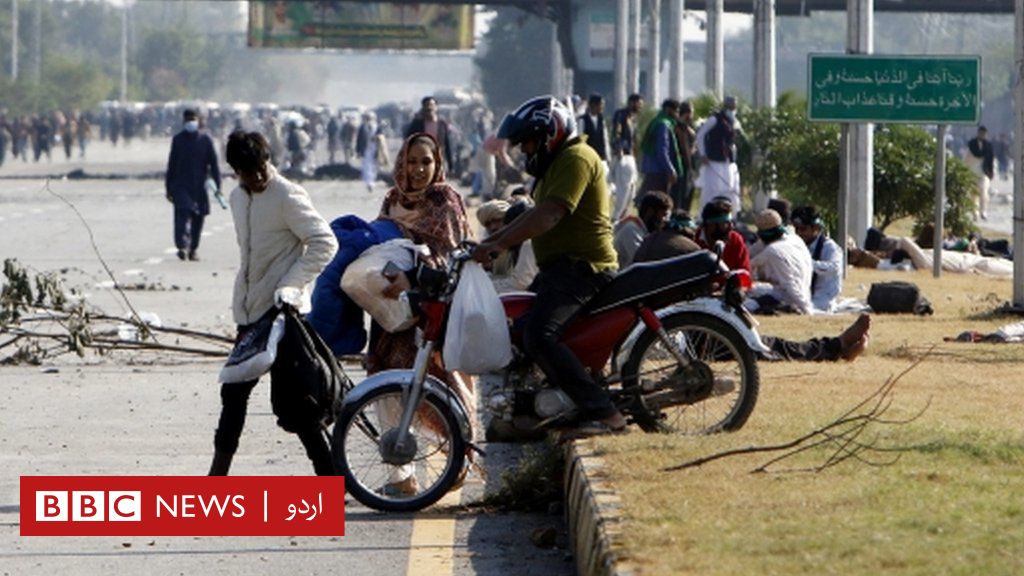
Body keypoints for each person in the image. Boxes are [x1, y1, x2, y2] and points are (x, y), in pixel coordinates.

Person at [472, 95, 625, 438]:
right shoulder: (557, 164)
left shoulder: (576, 158)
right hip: (560, 269)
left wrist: (500, 243)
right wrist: (489, 244)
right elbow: (530, 214)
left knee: (540, 337)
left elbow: (551, 213)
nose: (525, 150)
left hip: (583, 268)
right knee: (521, 327)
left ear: (549, 134)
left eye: (528, 141)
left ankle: (605, 413)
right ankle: (555, 406)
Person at [208, 130, 338, 476]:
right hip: (251, 316)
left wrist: (290, 285)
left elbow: (324, 242)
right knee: (233, 395)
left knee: (299, 407)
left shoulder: (287, 196)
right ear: (236, 171)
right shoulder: (237, 199)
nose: (259, 176)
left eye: (262, 166)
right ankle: (215, 479)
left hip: (284, 317)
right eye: (249, 172)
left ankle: (331, 479)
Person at [373, 132, 473, 495]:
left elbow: (451, 256)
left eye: (425, 162)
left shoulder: (445, 200)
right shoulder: (391, 200)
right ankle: (403, 480)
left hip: (435, 312)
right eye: (411, 161)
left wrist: (412, 274)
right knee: (387, 390)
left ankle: (457, 464)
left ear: (438, 164)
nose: (417, 170)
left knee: (447, 391)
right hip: (393, 314)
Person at [165, 109, 221, 262]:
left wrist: (218, 187)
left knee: (198, 218)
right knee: (182, 215)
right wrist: (168, 187)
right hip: (181, 185)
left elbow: (214, 165)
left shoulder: (205, 140)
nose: (191, 122)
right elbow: (171, 165)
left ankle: (193, 249)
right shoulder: (178, 140)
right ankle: (182, 246)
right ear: (184, 122)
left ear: (199, 121)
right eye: (188, 119)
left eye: (193, 119)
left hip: (199, 187)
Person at [746, 209, 814, 315]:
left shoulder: (773, 251)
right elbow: (751, 252)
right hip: (804, 292)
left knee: (746, 304)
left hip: (788, 298)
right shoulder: (795, 239)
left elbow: (790, 285)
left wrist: (806, 309)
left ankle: (783, 308)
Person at [791, 206, 843, 313]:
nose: (799, 233)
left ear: (816, 228)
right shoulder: (796, 244)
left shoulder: (829, 247)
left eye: (803, 229)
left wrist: (806, 263)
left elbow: (834, 268)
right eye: (796, 229)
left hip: (822, 296)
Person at [695, 95, 741, 213]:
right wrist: (703, 154)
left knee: (730, 188)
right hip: (714, 160)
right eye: (730, 105)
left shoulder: (734, 121)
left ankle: (731, 215)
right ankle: (706, 214)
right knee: (712, 189)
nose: (733, 108)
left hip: (729, 160)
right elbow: (700, 135)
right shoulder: (715, 119)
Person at [613, 191, 673, 268]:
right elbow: (645, 262)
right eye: (663, 215)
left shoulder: (643, 231)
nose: (665, 221)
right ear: (650, 212)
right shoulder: (631, 231)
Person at [610, 93, 644, 222]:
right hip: (623, 156)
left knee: (631, 192)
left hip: (630, 157)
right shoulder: (621, 115)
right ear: (632, 102)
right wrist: (618, 148)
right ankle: (615, 218)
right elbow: (617, 132)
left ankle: (622, 218)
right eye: (638, 104)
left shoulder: (633, 118)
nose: (640, 107)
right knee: (623, 192)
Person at [639, 99, 683, 198]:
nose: (677, 115)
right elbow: (662, 150)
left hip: (651, 169)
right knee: (658, 202)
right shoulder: (664, 125)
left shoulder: (656, 121)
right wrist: (670, 169)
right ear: (668, 110)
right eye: (676, 111)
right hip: (658, 171)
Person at [404, 96, 454, 179]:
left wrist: (451, 165)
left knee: (438, 182)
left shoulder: (442, 124)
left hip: (438, 158)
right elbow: (408, 140)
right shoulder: (417, 124)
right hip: (421, 160)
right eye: (427, 105)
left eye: (431, 105)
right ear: (423, 108)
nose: (429, 108)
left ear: (436, 107)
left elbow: (447, 144)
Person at [696, 197, 750, 272]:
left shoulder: (735, 240)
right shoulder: (694, 240)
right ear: (711, 225)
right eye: (726, 223)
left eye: (731, 222)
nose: (731, 227)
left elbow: (744, 272)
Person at [670, 101, 697, 213]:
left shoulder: (688, 128)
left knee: (688, 193)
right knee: (678, 193)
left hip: (689, 166)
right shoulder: (677, 127)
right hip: (680, 165)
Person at [964, 125, 994, 221]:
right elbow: (967, 159)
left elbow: (991, 159)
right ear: (978, 133)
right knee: (973, 195)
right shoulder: (971, 144)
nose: (982, 135)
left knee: (983, 191)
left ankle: (983, 211)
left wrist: (991, 171)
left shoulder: (988, 145)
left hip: (984, 173)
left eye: (984, 133)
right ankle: (975, 213)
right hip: (972, 172)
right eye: (980, 133)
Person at [578, 93, 610, 163]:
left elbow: (605, 138)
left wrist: (608, 156)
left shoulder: (601, 120)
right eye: (601, 104)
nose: (602, 107)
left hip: (600, 156)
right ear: (593, 105)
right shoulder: (583, 120)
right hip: (587, 156)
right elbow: (580, 139)